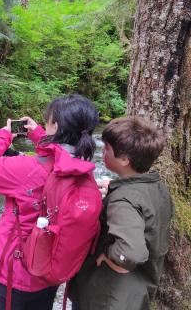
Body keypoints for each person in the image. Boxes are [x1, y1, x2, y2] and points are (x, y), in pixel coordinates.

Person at [0, 94, 100, 310]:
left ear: (55, 125)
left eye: (48, 121)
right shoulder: (84, 169)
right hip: (49, 273)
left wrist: (4, 135)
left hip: (11, 276)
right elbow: (58, 157)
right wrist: (39, 134)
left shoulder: (28, 170)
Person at [69, 116, 174, 310]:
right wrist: (116, 188)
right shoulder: (157, 186)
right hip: (137, 291)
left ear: (124, 159)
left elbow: (131, 253)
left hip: (108, 296)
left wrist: (110, 256)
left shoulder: (123, 201)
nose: (103, 153)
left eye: (107, 149)